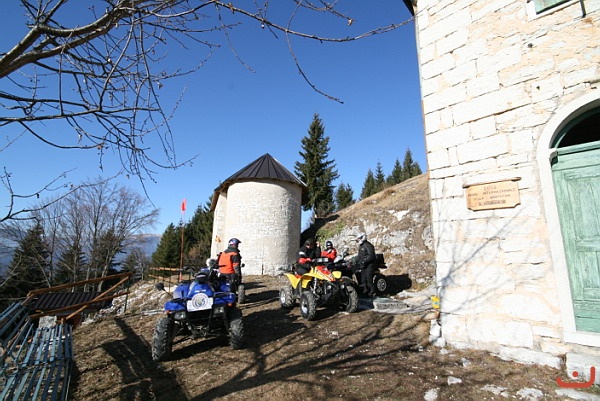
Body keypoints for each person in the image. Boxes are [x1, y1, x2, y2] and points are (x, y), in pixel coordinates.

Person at [354, 232, 376, 297]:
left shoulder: (368, 245)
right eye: (358, 238)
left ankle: (372, 292)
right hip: (363, 265)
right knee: (363, 280)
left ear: (363, 237)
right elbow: (359, 256)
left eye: (359, 238)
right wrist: (353, 261)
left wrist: (364, 261)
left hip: (369, 265)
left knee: (369, 279)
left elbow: (371, 256)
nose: (358, 240)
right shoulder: (361, 246)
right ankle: (365, 292)